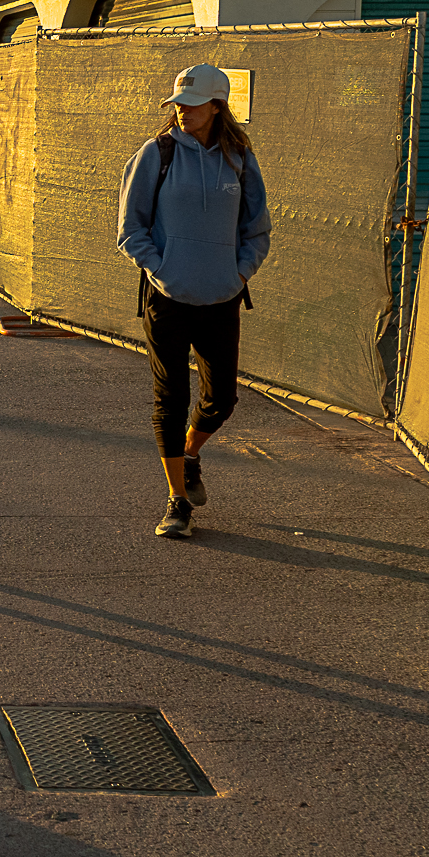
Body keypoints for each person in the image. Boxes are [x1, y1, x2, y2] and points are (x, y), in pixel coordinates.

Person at [116, 62, 272, 540]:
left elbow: (257, 227)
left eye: (192, 104)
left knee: (221, 399)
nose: (182, 112)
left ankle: (190, 454)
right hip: (167, 299)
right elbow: (130, 229)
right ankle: (177, 501)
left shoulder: (239, 157)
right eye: (177, 105)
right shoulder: (156, 154)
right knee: (170, 399)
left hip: (222, 297)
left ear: (217, 105)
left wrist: (238, 271)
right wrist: (163, 268)